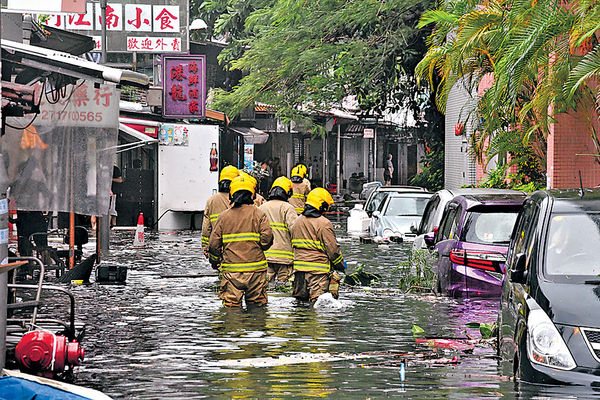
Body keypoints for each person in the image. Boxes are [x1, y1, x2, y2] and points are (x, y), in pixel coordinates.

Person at [208, 174, 274, 308]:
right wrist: (258, 247)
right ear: (252, 195)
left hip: (232, 273)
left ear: (232, 195)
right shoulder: (259, 214)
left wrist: (215, 261)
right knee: (257, 308)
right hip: (256, 271)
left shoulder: (224, 217)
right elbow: (267, 239)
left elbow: (213, 245)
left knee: (232, 309)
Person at [291, 188, 346, 302]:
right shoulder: (324, 223)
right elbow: (333, 251)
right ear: (322, 205)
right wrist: (340, 265)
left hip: (299, 272)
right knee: (318, 309)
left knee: (300, 306)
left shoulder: (297, 221)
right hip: (318, 274)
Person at [259, 176, 298, 284]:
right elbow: (295, 229)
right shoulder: (288, 208)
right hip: (285, 257)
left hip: (266, 255)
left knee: (265, 285)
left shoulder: (262, 207)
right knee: (284, 286)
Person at [201, 165, 240, 254]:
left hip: (218, 247)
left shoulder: (211, 200)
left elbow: (206, 227)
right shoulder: (240, 200)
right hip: (238, 248)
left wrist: (206, 247)